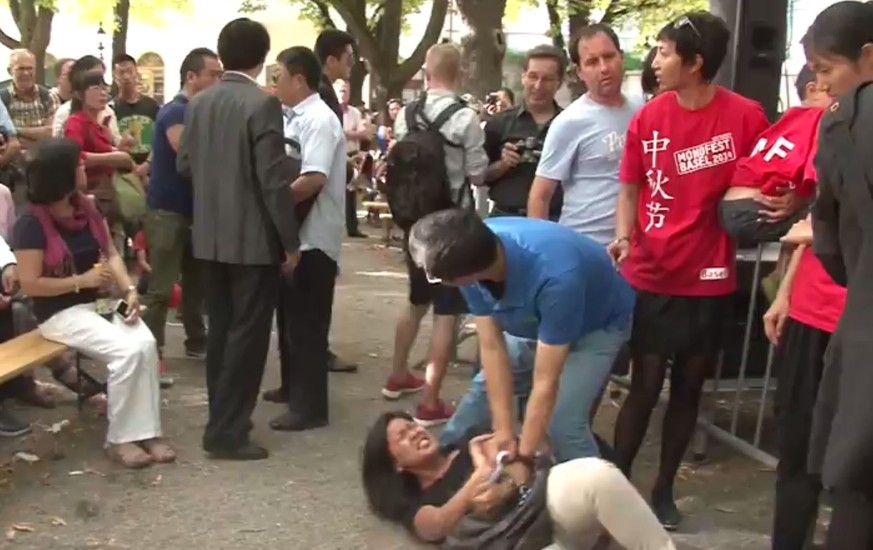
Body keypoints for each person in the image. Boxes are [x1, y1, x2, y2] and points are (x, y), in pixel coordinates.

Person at [609, 11, 769, 529]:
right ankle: (616, 485)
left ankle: (662, 494)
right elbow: (630, 186)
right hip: (651, 272)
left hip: (710, 276)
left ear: (696, 64)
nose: (656, 61)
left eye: (664, 52)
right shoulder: (649, 117)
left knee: (688, 390)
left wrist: (778, 199)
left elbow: (768, 177)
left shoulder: (746, 116)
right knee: (644, 384)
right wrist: (625, 236)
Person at [411, 209, 633, 463]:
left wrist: (523, 460)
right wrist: (503, 431)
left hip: (596, 326)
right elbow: (492, 347)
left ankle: (598, 494)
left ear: (464, 275)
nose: (434, 281)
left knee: (562, 424)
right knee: (482, 396)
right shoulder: (468, 249)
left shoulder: (555, 275)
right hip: (535, 321)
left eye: (436, 276)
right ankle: (441, 468)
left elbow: (545, 381)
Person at [177, 18, 300, 461]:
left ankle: (223, 418)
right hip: (251, 241)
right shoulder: (261, 105)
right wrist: (290, 241)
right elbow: (271, 181)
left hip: (209, 235)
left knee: (222, 333)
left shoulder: (199, 103)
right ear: (263, 55)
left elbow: (185, 166)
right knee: (247, 338)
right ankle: (227, 431)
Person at [13, 138, 173, 468]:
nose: (84, 167)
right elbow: (30, 284)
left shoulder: (85, 206)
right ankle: (120, 439)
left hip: (96, 304)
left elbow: (112, 254)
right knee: (126, 352)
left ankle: (146, 431)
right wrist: (81, 281)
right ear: (61, 175)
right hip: (59, 312)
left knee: (144, 342)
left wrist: (128, 291)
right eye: (78, 165)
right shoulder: (31, 223)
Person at [362, 411, 676, 549]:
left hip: (548, 512)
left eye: (413, 425)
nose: (416, 432)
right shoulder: (416, 500)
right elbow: (435, 526)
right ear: (396, 466)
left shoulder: (468, 442)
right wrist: (480, 477)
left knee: (594, 474)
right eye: (402, 436)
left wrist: (508, 484)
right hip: (513, 545)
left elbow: (532, 453)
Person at [382, 43, 488, 427]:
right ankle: (429, 401)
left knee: (414, 299)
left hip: (413, 222)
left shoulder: (405, 115)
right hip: (451, 226)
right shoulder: (465, 118)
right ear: (459, 72)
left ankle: (397, 374)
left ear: (426, 71)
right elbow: (477, 175)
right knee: (448, 310)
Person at [802, 3, 873, 548]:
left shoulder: (842, 123)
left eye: (826, 69)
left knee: (856, 498)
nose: (820, 83)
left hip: (865, 332)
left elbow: (831, 247)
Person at [263, 46, 345, 432]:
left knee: (307, 322)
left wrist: (272, 203)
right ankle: (291, 386)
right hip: (292, 232)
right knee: (289, 315)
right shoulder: (289, 117)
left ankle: (310, 406)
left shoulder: (319, 120)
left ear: (299, 79)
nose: (273, 82)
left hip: (314, 236)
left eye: (278, 74)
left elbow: (313, 178)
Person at [140, 48, 221, 382]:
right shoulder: (176, 112)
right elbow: (188, 154)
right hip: (167, 211)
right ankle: (149, 354)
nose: (218, 80)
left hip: (192, 211)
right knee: (160, 288)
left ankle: (196, 340)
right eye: (212, 74)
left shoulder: (199, 111)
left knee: (195, 282)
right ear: (191, 77)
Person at [528, 24, 643, 245]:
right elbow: (540, 195)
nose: (604, 68)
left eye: (609, 57)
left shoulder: (642, 110)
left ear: (622, 57)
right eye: (592, 62)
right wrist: (542, 251)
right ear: (579, 71)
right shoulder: (569, 122)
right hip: (585, 244)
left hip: (634, 247)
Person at [719, 66, 824, 247]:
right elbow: (817, 171)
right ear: (812, 90)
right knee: (834, 223)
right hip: (759, 208)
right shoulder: (821, 118)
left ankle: (778, 274)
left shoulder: (790, 117)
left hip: (730, 204)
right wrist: (802, 197)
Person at [483, 45, 564, 220]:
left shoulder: (569, 125)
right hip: (505, 218)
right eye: (533, 76)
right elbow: (479, 176)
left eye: (548, 79)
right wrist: (503, 164)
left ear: (559, 83)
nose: (538, 86)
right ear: (523, 77)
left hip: (556, 220)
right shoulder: (499, 123)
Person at [314, 29, 366, 239]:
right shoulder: (322, 92)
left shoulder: (320, 89)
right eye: (349, 59)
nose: (352, 65)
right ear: (331, 60)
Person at [52, 56, 122, 146]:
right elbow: (75, 155)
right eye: (95, 87)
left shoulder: (108, 113)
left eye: (104, 87)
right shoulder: (70, 118)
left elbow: (114, 145)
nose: (103, 93)